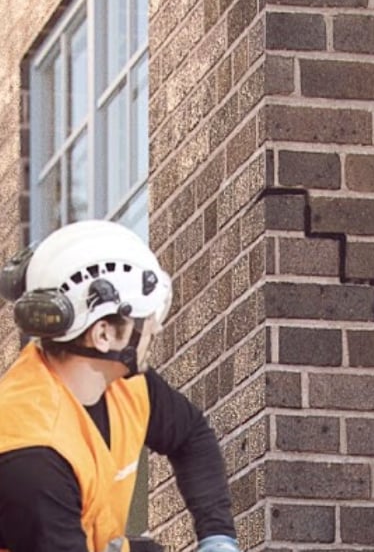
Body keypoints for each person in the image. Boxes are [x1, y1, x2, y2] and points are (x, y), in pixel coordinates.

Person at [0, 220, 241, 552]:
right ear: (104, 335)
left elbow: (191, 436)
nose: (154, 329)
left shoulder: (123, 382)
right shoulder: (32, 453)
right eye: (144, 319)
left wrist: (218, 539)